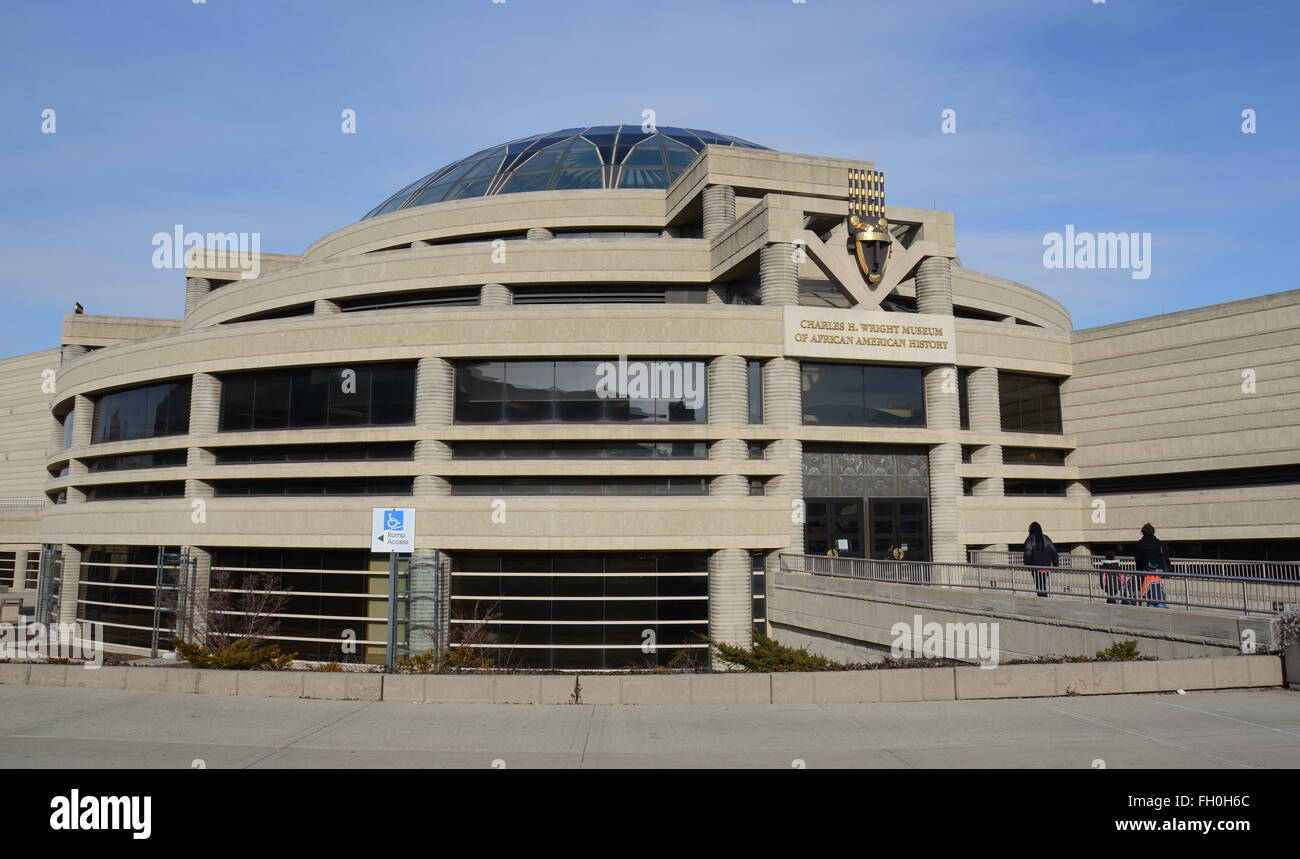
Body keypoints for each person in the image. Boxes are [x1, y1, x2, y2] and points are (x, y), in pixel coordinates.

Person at [1133, 523, 1170, 608]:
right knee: (1157, 588)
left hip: (1147, 569)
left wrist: (1139, 570)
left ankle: (1152, 606)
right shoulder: (1158, 542)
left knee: (1149, 591)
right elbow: (1163, 555)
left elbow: (1138, 558)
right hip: (1158, 568)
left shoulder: (1141, 543)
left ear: (1143, 532)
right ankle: (1160, 604)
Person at [1023, 521, 1059, 597]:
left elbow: (1027, 553)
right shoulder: (1046, 538)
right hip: (1046, 567)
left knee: (1039, 585)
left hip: (1036, 567)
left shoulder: (1030, 539)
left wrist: (1027, 564)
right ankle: (1043, 597)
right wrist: (1056, 563)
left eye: (1029, 528)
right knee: (1042, 583)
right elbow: (1054, 551)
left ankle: (1043, 599)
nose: (1028, 530)